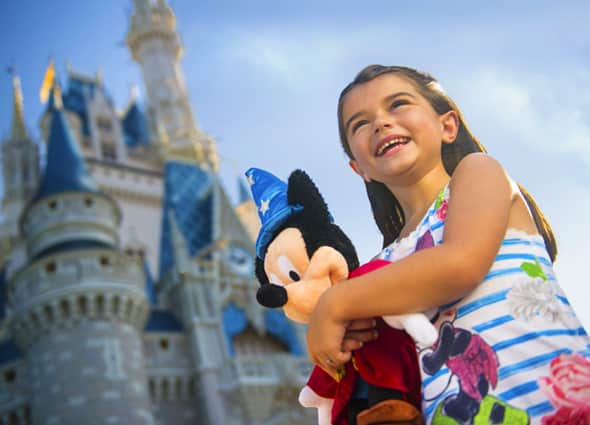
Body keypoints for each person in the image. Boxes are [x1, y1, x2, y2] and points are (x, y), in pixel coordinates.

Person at [306, 65, 590, 425]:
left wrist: (335, 303)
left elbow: (460, 264)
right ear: (359, 168)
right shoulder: (382, 268)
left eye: (398, 104)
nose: (380, 123)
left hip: (556, 408)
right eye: (359, 124)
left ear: (448, 125)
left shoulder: (477, 172)